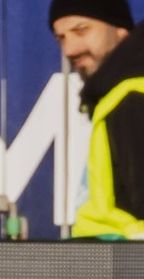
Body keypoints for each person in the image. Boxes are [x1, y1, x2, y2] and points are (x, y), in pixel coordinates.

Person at [50, 0, 144, 238]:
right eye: (61, 38)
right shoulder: (116, 95)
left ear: (119, 28)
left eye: (81, 30)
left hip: (123, 267)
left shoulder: (133, 98)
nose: (69, 49)